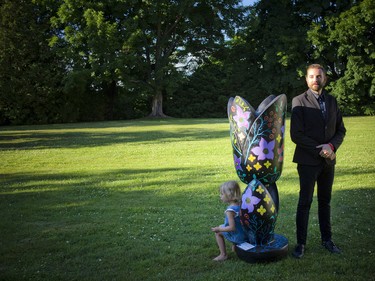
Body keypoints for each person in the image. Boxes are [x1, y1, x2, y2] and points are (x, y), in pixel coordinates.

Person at [290, 64, 346, 259]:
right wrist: (320, 148)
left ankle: (327, 240)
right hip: (307, 162)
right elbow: (296, 135)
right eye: (312, 76)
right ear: (307, 80)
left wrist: (331, 147)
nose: (316, 79)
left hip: (328, 161)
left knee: (325, 202)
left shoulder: (332, 101)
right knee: (304, 202)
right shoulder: (298, 101)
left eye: (319, 76)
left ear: (325, 79)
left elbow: (341, 130)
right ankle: (301, 244)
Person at [211, 180, 246, 261]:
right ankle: (235, 246)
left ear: (230, 196)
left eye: (222, 194)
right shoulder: (241, 204)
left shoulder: (230, 211)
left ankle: (223, 254)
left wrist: (219, 229)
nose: (220, 196)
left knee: (218, 233)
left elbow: (232, 228)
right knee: (222, 226)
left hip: (238, 236)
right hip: (245, 233)